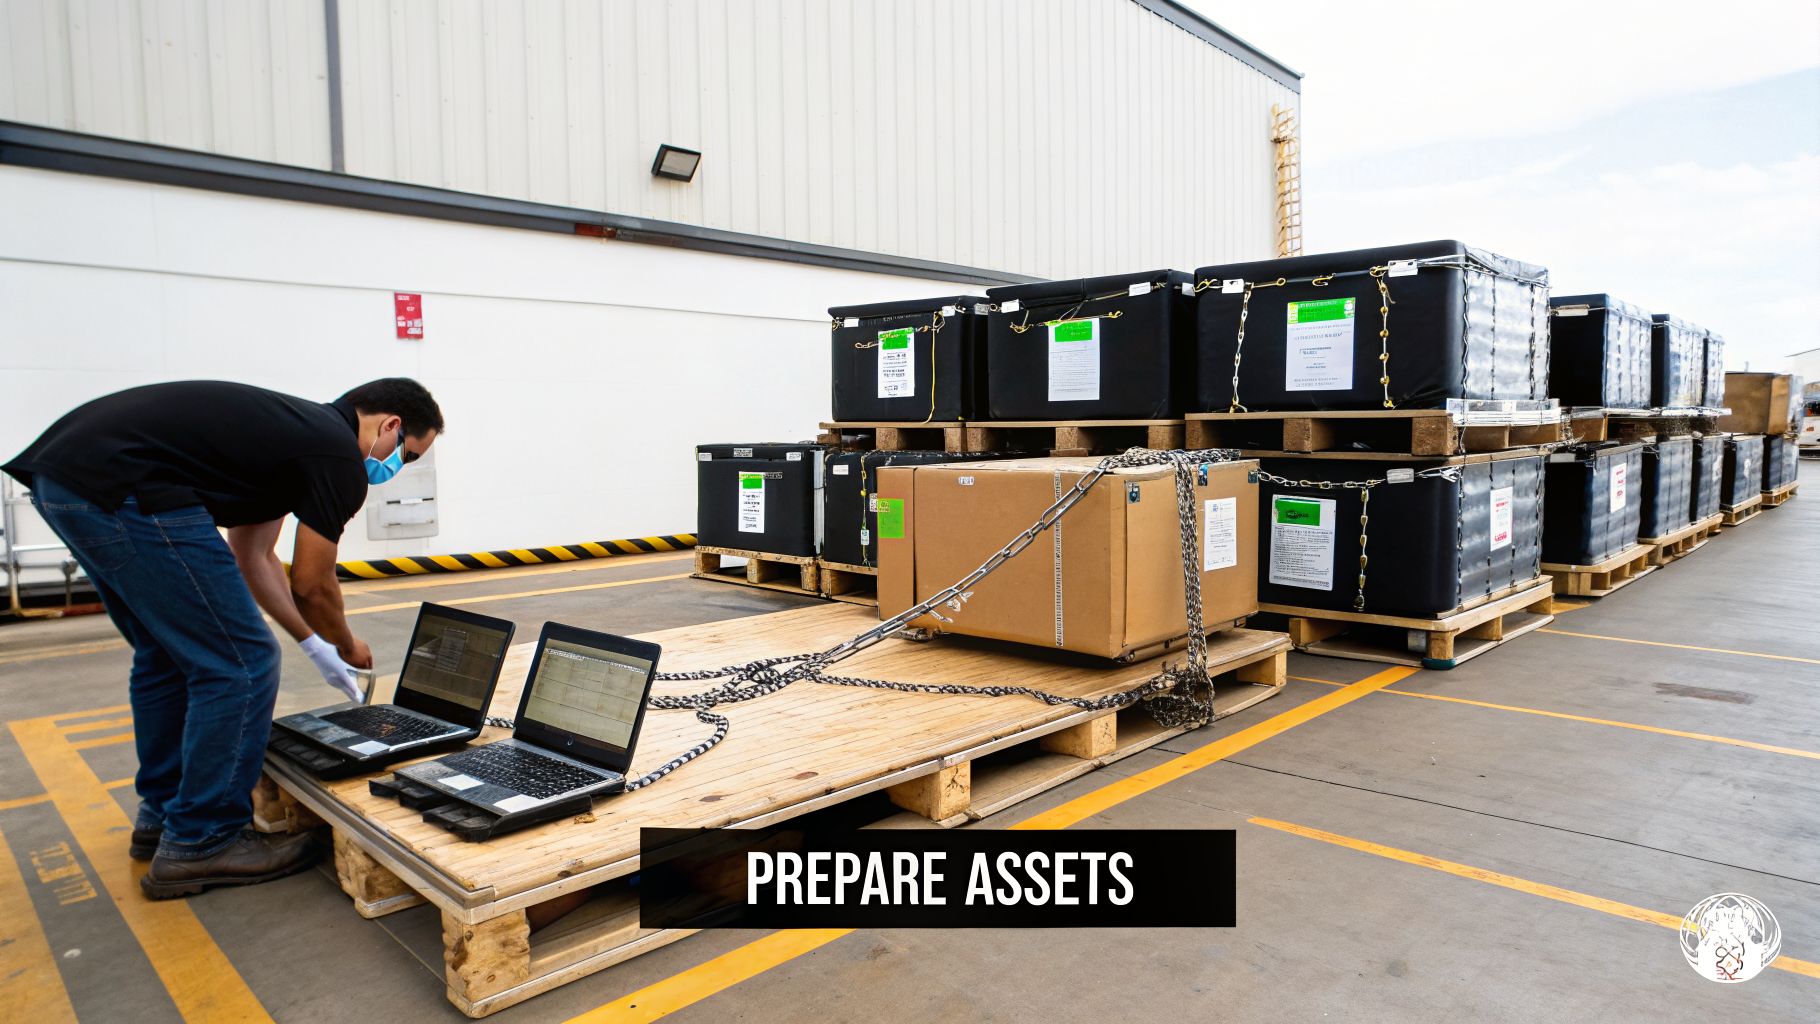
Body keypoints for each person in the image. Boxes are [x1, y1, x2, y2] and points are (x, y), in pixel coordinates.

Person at [3, 378, 443, 898]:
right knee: (241, 664)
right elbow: (312, 582)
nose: (398, 468)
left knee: (166, 656)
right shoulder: (337, 457)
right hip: (129, 489)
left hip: (71, 480)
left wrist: (311, 644)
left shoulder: (291, 441)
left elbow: (252, 558)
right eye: (408, 456)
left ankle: (163, 815)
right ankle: (203, 839)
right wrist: (346, 643)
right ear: (390, 424)